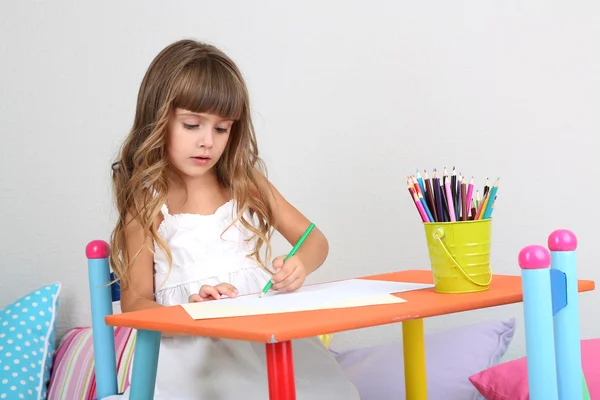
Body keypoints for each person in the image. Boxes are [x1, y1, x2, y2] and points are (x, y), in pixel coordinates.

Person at [108, 39, 359, 399]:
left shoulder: (244, 182)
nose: (207, 142)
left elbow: (315, 240)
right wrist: (192, 312)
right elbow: (135, 306)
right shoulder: (146, 204)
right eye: (192, 125)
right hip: (196, 361)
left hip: (265, 344)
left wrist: (299, 262)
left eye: (221, 129)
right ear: (158, 119)